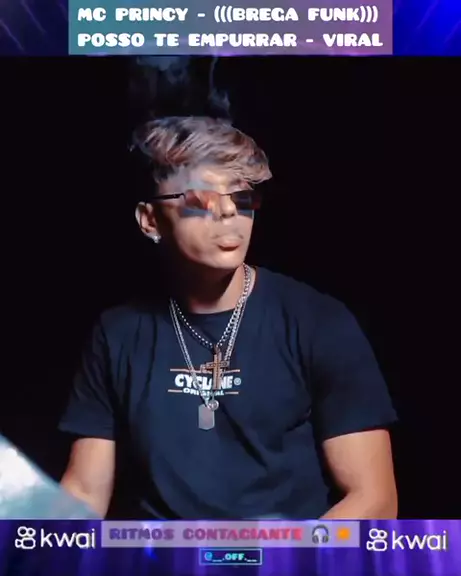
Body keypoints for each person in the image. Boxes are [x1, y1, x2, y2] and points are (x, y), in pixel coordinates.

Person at [59, 116, 398, 520]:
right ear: (150, 220)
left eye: (241, 197)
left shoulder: (318, 322)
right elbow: (84, 492)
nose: (227, 212)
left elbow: (374, 500)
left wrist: (288, 554)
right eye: (200, 199)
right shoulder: (117, 334)